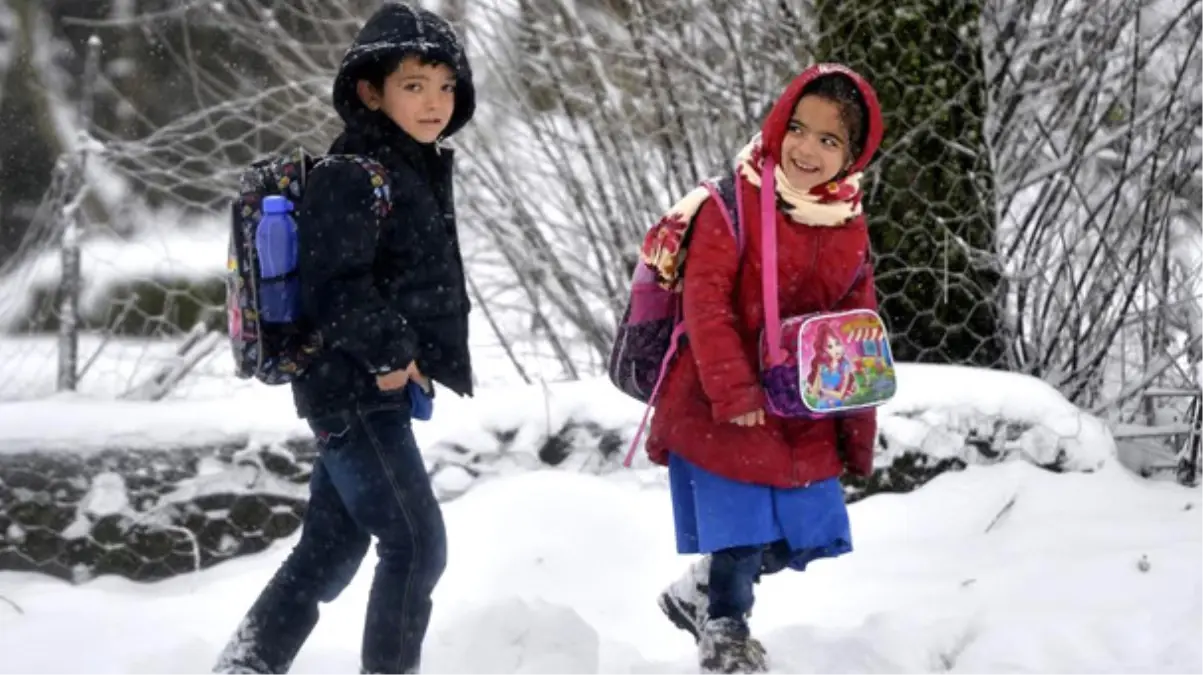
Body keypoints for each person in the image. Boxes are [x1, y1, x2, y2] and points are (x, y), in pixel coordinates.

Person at [213, 3, 475, 674]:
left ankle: (249, 662)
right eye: (414, 85)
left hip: (365, 387)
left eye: (445, 85)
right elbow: (336, 284)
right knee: (416, 544)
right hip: (352, 388)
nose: (434, 101)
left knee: (331, 546)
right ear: (370, 91)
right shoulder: (353, 173)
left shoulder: (409, 169)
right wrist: (392, 355)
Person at [645, 63, 885, 675]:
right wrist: (734, 388)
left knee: (801, 533)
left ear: (853, 155)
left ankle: (697, 591)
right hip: (723, 401)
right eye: (799, 129)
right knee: (741, 528)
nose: (807, 148)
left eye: (829, 140)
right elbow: (705, 301)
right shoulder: (731, 205)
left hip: (802, 407)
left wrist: (855, 424)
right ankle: (725, 632)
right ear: (779, 123)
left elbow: (858, 326)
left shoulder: (847, 222)